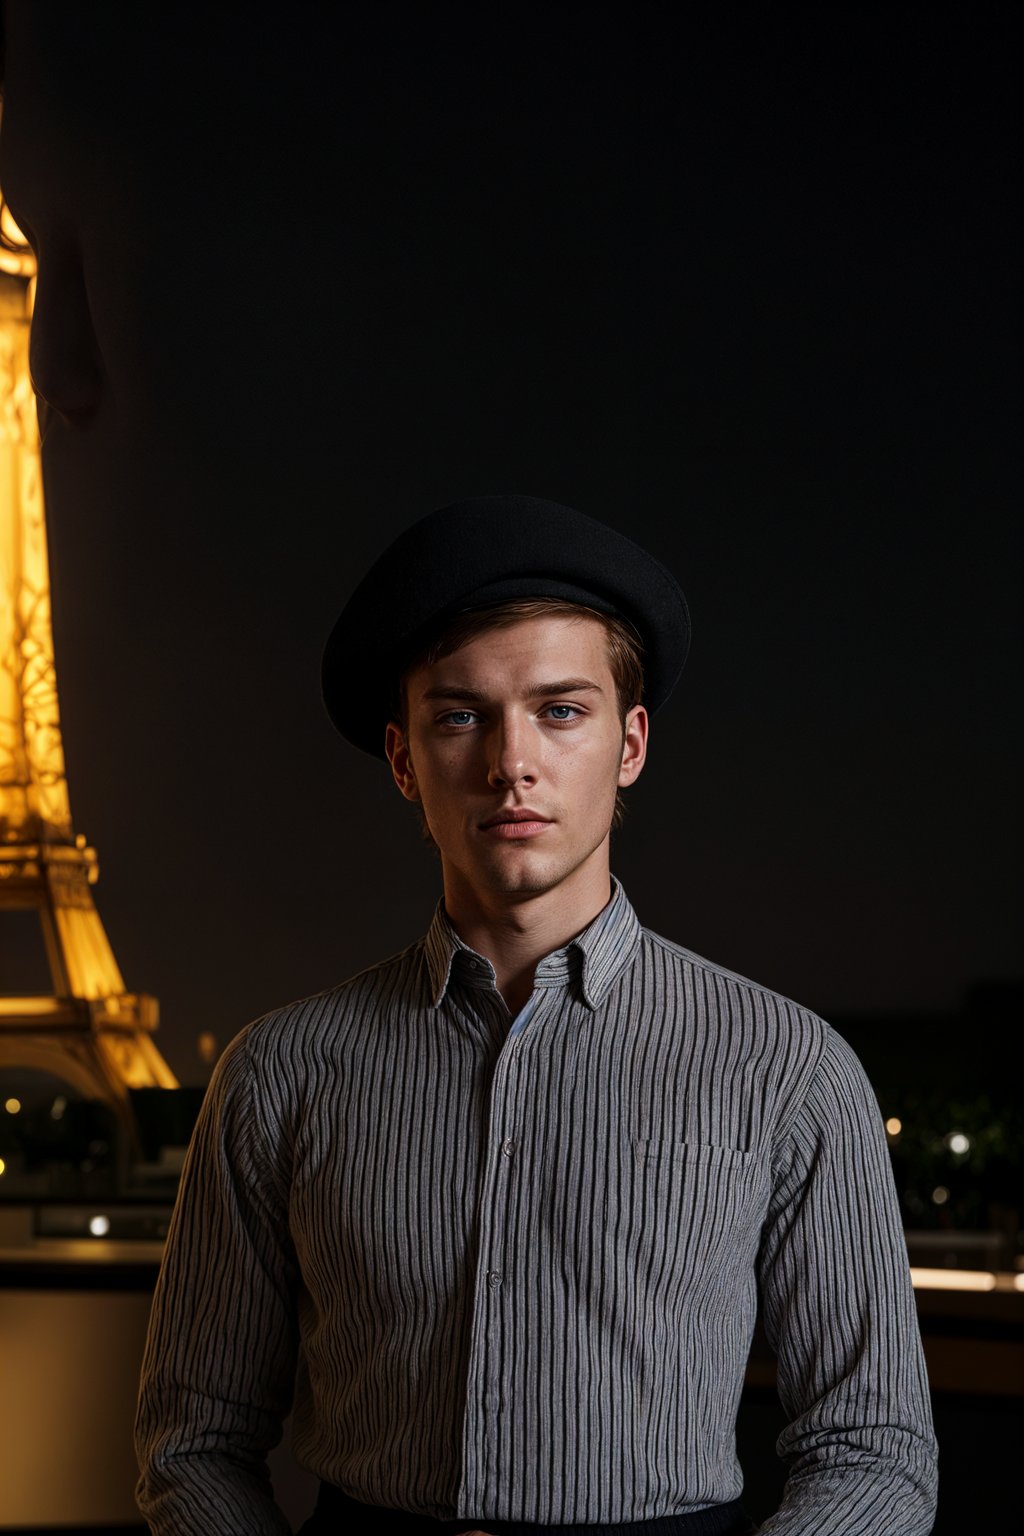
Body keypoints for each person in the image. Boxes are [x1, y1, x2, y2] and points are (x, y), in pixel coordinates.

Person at [134, 495, 938, 1536]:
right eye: (459, 715)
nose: (511, 761)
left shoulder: (786, 1067)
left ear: (631, 742)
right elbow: (191, 1442)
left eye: (561, 710)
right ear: (401, 760)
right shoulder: (280, 1072)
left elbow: (873, 1452)